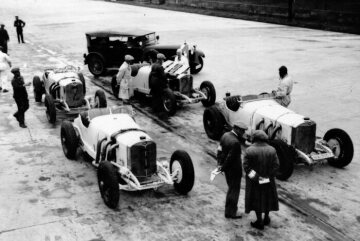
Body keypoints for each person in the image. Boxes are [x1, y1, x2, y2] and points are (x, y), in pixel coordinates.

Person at [243, 130, 280, 230]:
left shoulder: (249, 150)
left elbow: (247, 168)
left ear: (255, 138)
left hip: (255, 183)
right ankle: (266, 218)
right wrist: (268, 177)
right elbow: (276, 166)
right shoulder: (272, 150)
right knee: (268, 199)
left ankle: (259, 221)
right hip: (268, 181)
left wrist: (257, 178)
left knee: (256, 201)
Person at [217, 122, 248, 219]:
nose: (243, 133)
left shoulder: (225, 135)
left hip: (227, 170)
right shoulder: (235, 143)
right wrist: (223, 167)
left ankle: (228, 211)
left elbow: (219, 150)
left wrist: (219, 164)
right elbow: (230, 158)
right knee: (234, 192)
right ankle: (231, 213)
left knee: (231, 189)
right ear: (237, 129)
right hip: (234, 170)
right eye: (242, 131)